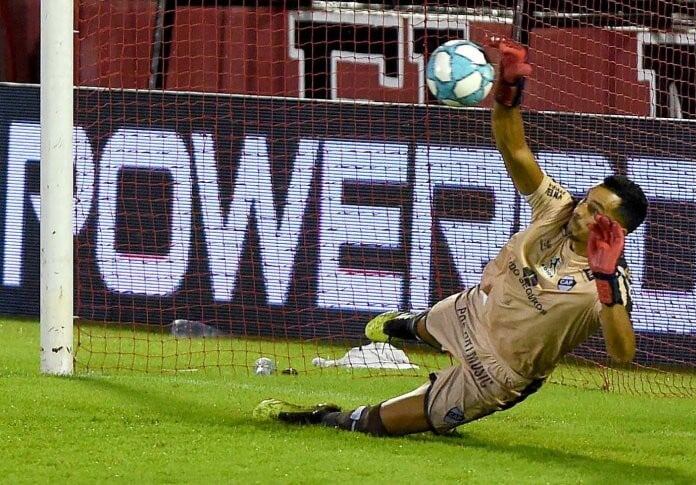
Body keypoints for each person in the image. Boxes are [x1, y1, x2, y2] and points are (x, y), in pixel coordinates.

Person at [253, 37, 649, 437]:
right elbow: (514, 148)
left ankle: (328, 415)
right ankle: (403, 327)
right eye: (587, 200)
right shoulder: (557, 209)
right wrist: (508, 91)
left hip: (497, 372)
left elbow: (623, 353)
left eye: (596, 213)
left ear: (619, 230)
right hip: (472, 310)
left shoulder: (609, 284)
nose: (582, 211)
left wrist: (605, 280)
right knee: (418, 328)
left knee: (377, 424)